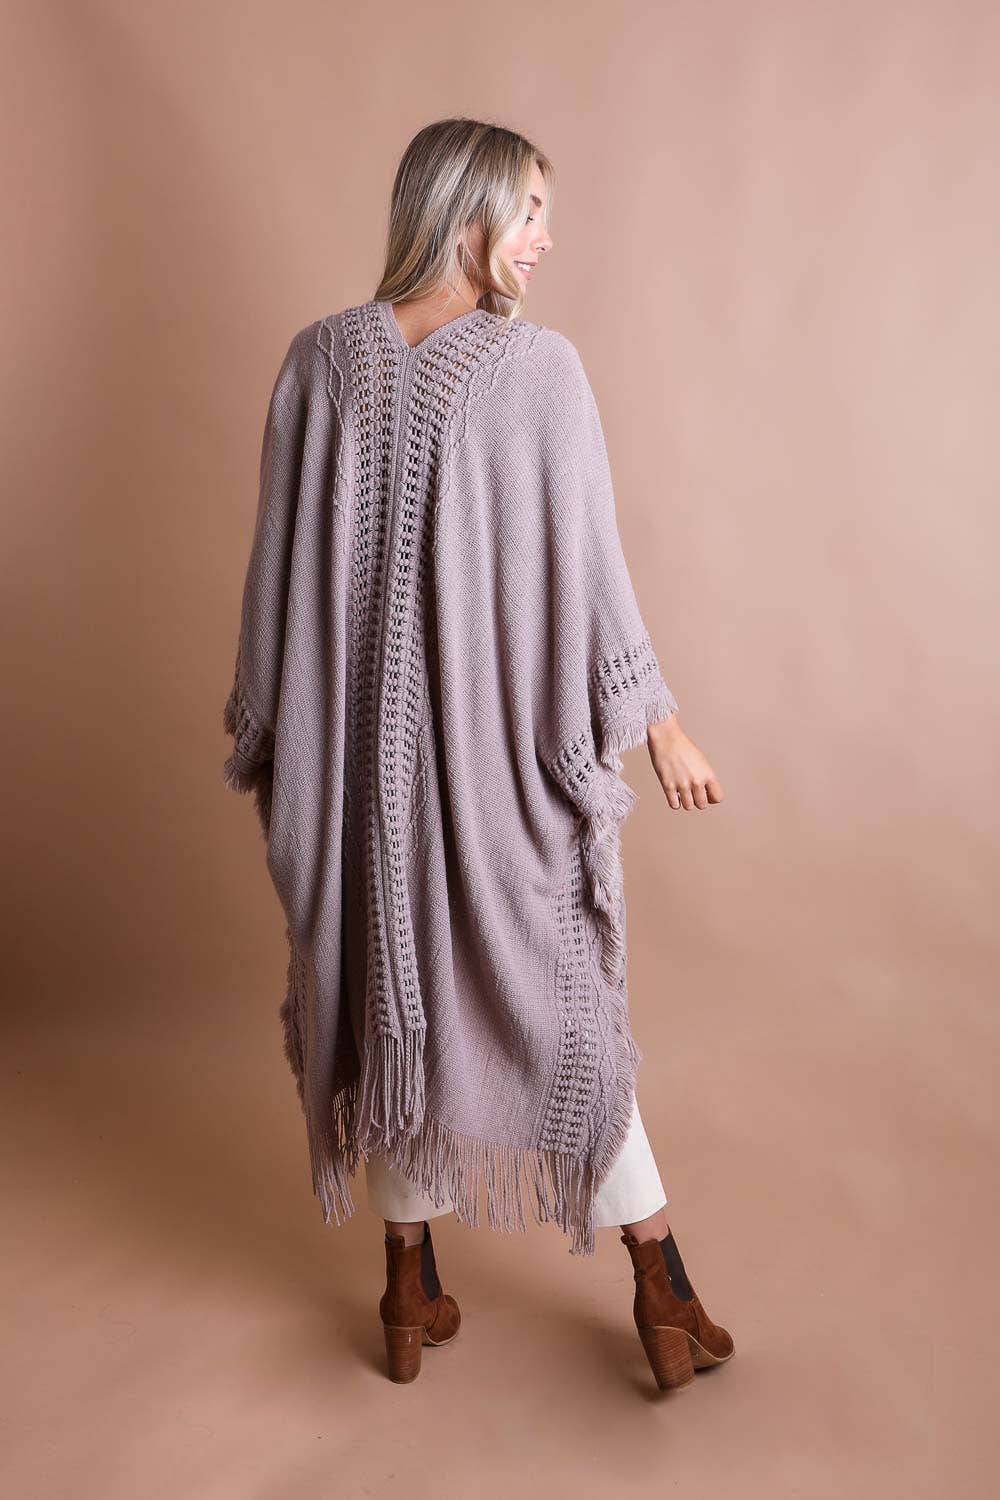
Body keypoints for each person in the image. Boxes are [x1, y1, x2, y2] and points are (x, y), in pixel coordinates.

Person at [222, 117, 735, 1389]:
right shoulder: (538, 370)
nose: (545, 238)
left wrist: (279, 740)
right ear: (465, 214)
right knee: (561, 1020)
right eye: (530, 211)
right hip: (492, 780)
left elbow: (270, 584)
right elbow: (592, 570)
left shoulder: (316, 362)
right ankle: (659, 1288)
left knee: (387, 1011)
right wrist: (657, 722)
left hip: (351, 788)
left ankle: (407, 1292)